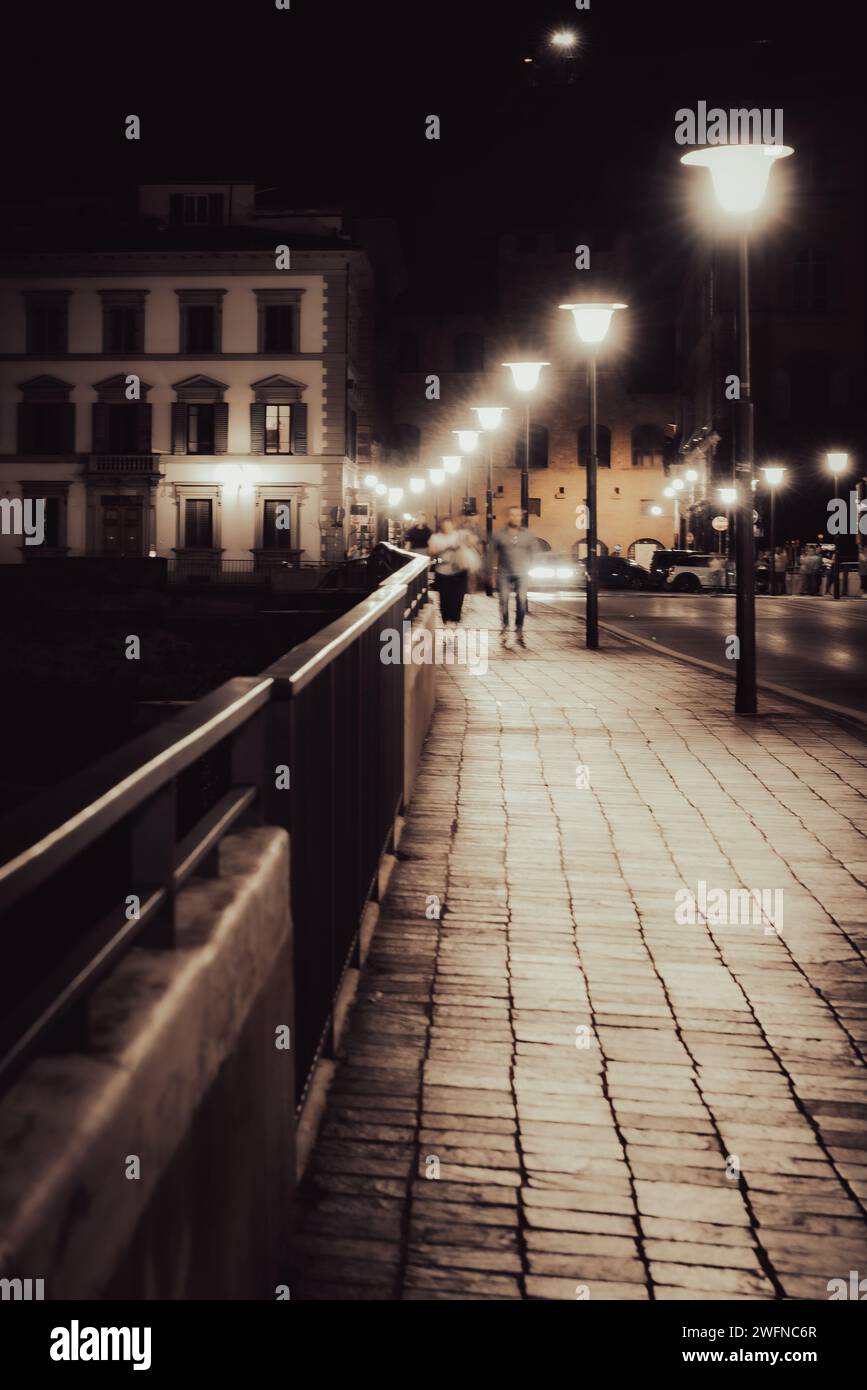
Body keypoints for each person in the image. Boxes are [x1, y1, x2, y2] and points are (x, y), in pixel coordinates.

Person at [492, 505, 537, 649]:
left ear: (521, 517)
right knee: (503, 601)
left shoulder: (527, 535)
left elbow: (534, 553)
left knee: (521, 601)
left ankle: (519, 630)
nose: (515, 518)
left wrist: (532, 567)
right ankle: (504, 628)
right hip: (504, 573)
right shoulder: (500, 535)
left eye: (518, 515)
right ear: (508, 517)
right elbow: (491, 553)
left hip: (522, 574)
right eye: (512, 515)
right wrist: (489, 572)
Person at [428, 517, 478, 624]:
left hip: (459, 572)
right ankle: (447, 624)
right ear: (441, 526)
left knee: (457, 600)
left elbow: (473, 540)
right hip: (442, 572)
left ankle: (454, 626)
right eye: (445, 525)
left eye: (449, 524)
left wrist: (466, 543)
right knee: (445, 601)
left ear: (453, 525)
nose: (447, 527)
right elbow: (431, 551)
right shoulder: (436, 537)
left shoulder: (459, 535)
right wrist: (447, 547)